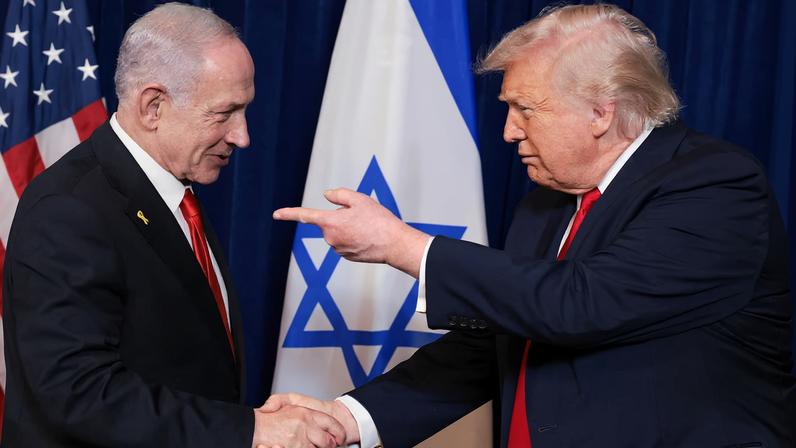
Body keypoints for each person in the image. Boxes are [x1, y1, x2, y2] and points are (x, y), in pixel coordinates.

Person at [268, 3, 795, 447]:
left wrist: (403, 246)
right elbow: (493, 348)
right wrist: (346, 418)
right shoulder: (546, 205)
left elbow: (583, 304)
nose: (508, 131)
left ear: (600, 112)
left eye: (525, 109)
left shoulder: (715, 186)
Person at [1, 3, 344, 447]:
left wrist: (245, 422)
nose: (242, 136)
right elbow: (78, 394)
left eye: (244, 111)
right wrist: (251, 430)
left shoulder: (174, 191)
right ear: (153, 106)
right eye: (224, 113)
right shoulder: (68, 209)